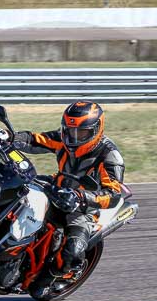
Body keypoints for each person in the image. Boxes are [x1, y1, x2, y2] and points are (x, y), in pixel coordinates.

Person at [13, 100, 125, 278]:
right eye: (69, 131)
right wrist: (10, 137)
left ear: (97, 130)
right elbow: (35, 140)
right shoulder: (63, 139)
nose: (73, 137)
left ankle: (57, 275)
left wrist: (81, 197)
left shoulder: (109, 156)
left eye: (81, 133)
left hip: (82, 208)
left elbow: (113, 194)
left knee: (73, 250)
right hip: (56, 190)